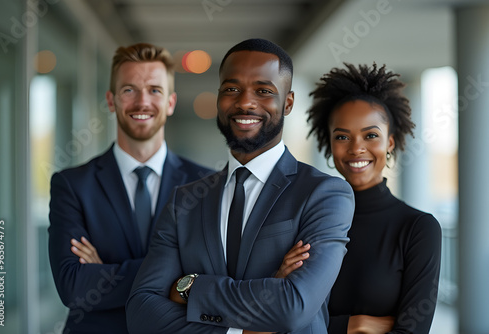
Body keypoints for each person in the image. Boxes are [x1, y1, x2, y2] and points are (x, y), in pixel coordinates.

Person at [125, 38, 355, 334]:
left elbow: (293, 307)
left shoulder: (324, 195)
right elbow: (141, 313)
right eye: (232, 89)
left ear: (288, 102)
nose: (245, 102)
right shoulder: (185, 202)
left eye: (263, 91)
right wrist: (241, 329)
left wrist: (190, 288)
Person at [48, 43, 213, 334]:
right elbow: (74, 286)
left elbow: (216, 273)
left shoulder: (207, 185)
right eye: (129, 90)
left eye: (155, 90)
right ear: (111, 100)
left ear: (171, 102)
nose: (142, 102)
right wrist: (179, 273)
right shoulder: (72, 185)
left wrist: (102, 271)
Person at [306, 63, 442, 334]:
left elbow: (411, 331)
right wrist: (356, 324)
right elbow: (284, 319)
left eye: (371, 135)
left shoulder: (418, 228)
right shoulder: (308, 221)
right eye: (342, 136)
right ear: (330, 144)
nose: (357, 148)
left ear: (389, 143)